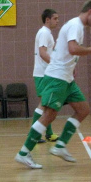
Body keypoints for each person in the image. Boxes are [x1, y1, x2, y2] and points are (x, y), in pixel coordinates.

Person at [15, 0, 91, 169]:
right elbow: (72, 48)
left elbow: (68, 52)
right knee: (49, 115)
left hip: (66, 78)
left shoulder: (78, 27)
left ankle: (60, 146)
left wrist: (73, 66)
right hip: (57, 77)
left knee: (83, 109)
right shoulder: (76, 25)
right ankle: (24, 152)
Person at [32, 9, 60, 143]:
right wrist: (57, 66)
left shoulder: (47, 33)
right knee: (43, 104)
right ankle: (34, 134)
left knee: (48, 105)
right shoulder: (44, 33)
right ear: (47, 20)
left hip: (46, 73)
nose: (57, 21)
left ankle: (48, 133)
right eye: (55, 18)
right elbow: (42, 53)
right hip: (43, 74)